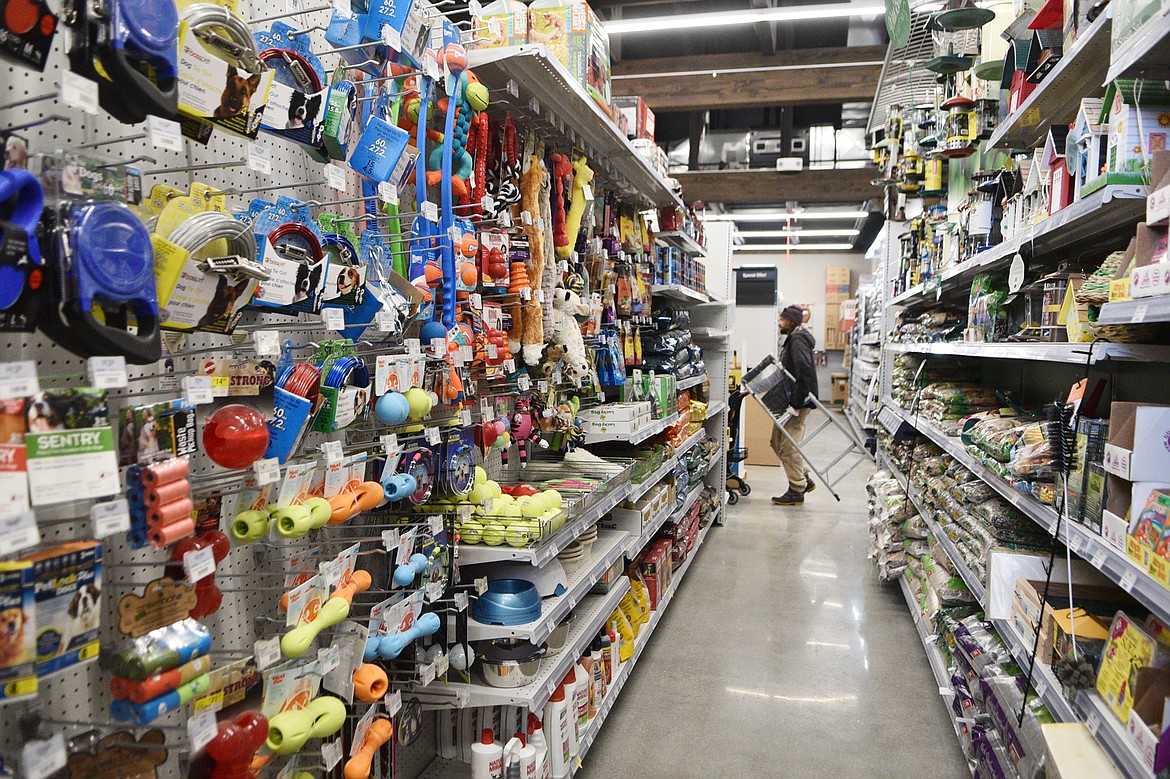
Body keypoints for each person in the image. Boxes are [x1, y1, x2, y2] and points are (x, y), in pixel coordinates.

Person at [771, 305, 819, 506]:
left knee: (789, 446)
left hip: (798, 402)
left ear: (789, 320)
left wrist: (797, 403)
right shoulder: (794, 337)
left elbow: (804, 370)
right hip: (790, 400)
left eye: (781, 319)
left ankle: (797, 488)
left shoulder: (798, 340)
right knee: (776, 441)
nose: (779, 323)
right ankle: (804, 478)